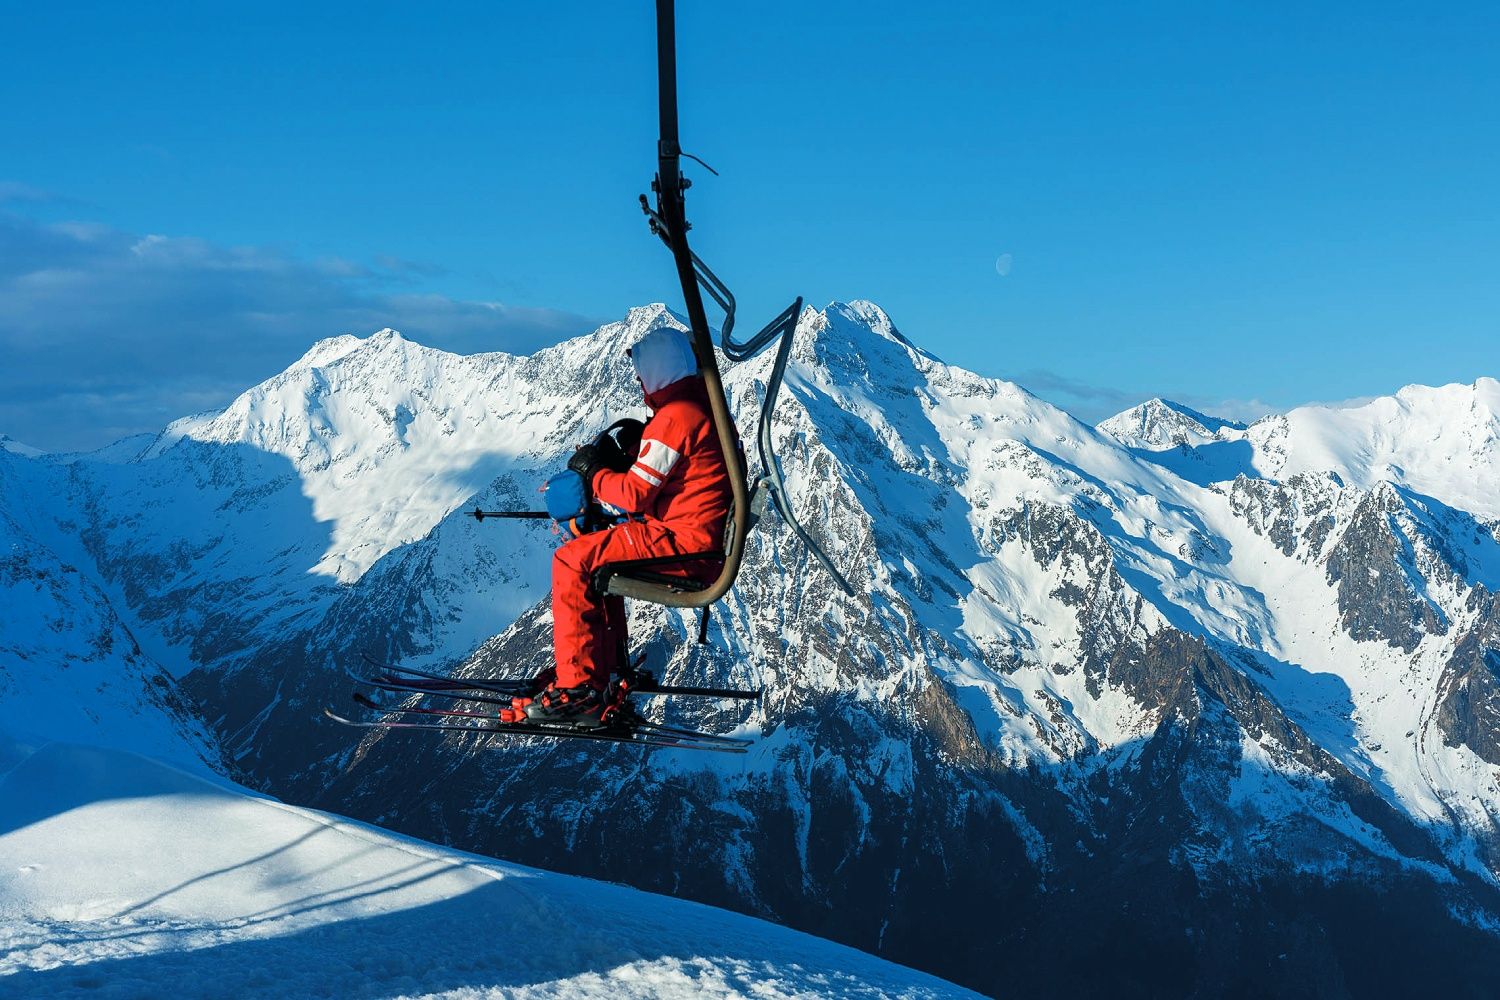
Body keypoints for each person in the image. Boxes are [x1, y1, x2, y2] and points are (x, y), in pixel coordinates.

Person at [509, 325, 736, 728]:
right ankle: (605, 670)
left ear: (657, 369)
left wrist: (594, 472)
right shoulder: (701, 406)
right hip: (694, 536)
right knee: (598, 551)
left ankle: (579, 687)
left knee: (571, 560)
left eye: (641, 370)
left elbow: (632, 494)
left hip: (684, 545)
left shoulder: (678, 416)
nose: (637, 379)